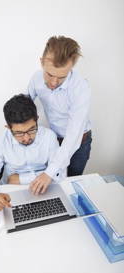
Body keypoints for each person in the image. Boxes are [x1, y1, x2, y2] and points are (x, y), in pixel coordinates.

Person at [27, 35, 92, 195]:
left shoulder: (80, 88)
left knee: (71, 187)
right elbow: (25, 104)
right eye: (49, 74)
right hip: (52, 140)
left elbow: (73, 136)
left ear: (71, 68)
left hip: (79, 143)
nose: (54, 82)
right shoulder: (36, 79)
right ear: (42, 62)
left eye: (61, 77)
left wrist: (49, 173)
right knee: (51, 190)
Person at [0, 94, 64, 211]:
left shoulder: (49, 136)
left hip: (45, 189)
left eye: (32, 129)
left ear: (37, 120)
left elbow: (60, 173)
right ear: (8, 127)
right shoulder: (1, 141)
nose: (26, 138)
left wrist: (20, 179)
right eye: (19, 133)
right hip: (10, 193)